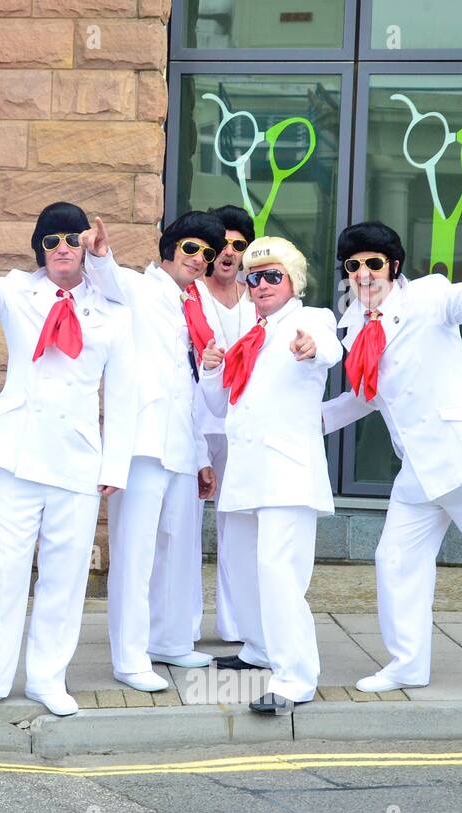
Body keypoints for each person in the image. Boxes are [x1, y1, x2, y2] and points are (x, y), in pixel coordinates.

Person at [0, 194, 134, 717]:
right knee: (8, 570)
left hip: (78, 462)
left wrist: (116, 464)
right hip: (18, 457)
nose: (61, 248)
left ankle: (47, 678)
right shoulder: (19, 292)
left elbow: (124, 394)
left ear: (86, 246)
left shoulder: (112, 312)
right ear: (39, 249)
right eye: (50, 240)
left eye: (71, 239)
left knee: (65, 576)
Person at [321, 199, 462, 702]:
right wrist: (308, 421)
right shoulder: (353, 326)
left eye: (373, 263)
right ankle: (407, 664)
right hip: (417, 468)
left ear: (393, 267)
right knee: (394, 559)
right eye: (353, 266)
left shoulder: (428, 295)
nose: (363, 273)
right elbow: (364, 397)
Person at [199, 236, 342, 715]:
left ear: (293, 281)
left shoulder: (308, 319)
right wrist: (211, 370)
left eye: (272, 275)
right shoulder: (249, 338)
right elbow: (220, 406)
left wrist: (312, 347)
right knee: (243, 569)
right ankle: (260, 649)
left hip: (286, 475)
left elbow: (330, 347)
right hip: (246, 476)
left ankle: (296, 677)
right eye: (252, 277)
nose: (260, 285)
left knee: (280, 576)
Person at [84, 212, 223, 693]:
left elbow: (191, 385)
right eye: (191, 249)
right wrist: (99, 252)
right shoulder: (139, 289)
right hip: (142, 445)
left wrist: (203, 454)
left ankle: (169, 640)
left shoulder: (197, 304)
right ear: (168, 251)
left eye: (207, 254)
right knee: (134, 554)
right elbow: (106, 274)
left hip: (183, 446)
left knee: (180, 551)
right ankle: (129, 656)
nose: (200, 260)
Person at [198, 204, 258, 644]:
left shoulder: (259, 297)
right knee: (180, 528)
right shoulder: (188, 294)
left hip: (240, 422)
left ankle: (236, 626)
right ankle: (175, 627)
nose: (229, 252)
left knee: (236, 523)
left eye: (239, 244)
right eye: (221, 244)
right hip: (195, 421)